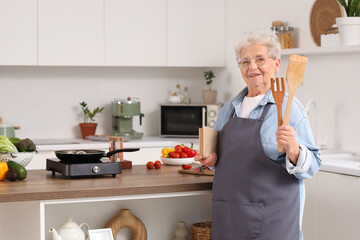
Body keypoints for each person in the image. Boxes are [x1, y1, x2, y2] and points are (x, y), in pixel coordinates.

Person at [195, 29, 321, 240]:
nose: (252, 66)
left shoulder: (291, 109)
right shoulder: (230, 108)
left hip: (272, 219)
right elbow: (223, 159)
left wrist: (294, 149)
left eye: (260, 59)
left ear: (276, 64)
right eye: (245, 61)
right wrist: (211, 159)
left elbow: (314, 165)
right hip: (230, 216)